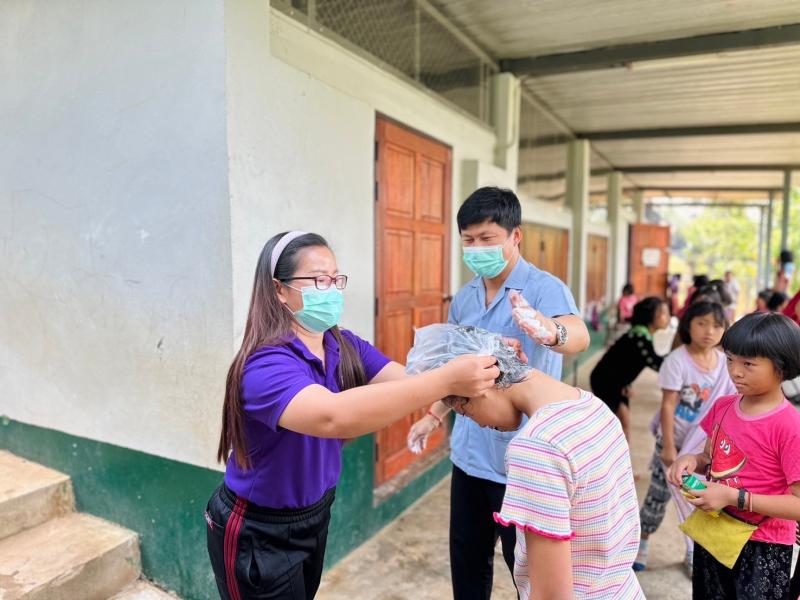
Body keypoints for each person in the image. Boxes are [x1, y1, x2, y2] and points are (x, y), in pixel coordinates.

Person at [205, 231, 500, 600]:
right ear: (279, 290)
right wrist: (447, 379)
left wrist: (492, 361)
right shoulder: (265, 364)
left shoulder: (343, 345)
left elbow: (410, 380)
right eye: (318, 280)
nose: (331, 290)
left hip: (315, 514)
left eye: (335, 279)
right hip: (258, 530)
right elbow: (333, 417)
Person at [406, 187, 589, 600]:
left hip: (522, 462)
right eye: (468, 240)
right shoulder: (466, 297)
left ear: (515, 236)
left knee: (527, 573)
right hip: (470, 456)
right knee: (467, 565)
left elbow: (577, 334)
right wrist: (433, 415)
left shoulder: (544, 289)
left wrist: (549, 330)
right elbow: (454, 369)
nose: (476, 249)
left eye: (487, 238)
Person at [407, 325, 644, 598]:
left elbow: (551, 596)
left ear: (480, 388)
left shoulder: (536, 448)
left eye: (465, 412)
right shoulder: (594, 407)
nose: (481, 424)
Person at [667, 312, 800, 599]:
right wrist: (690, 461)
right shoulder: (724, 406)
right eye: (729, 360)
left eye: (748, 364)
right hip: (715, 532)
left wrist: (733, 497)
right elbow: (709, 457)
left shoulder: (790, 427)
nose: (735, 372)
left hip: (763, 545)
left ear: (782, 366)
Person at [633, 301, 734, 574]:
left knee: (699, 500)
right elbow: (668, 405)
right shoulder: (676, 361)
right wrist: (668, 446)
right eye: (702, 323)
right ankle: (642, 539)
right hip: (673, 443)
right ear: (688, 325)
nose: (709, 331)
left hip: (703, 450)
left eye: (717, 325)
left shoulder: (725, 364)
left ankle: (693, 551)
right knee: (658, 497)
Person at [590, 297, 670, 442]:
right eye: (663, 313)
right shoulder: (639, 339)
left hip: (616, 383)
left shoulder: (640, 335)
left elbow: (624, 364)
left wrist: (626, 384)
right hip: (605, 382)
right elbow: (659, 365)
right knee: (612, 425)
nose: (667, 318)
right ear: (651, 315)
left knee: (624, 421)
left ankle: (621, 453)